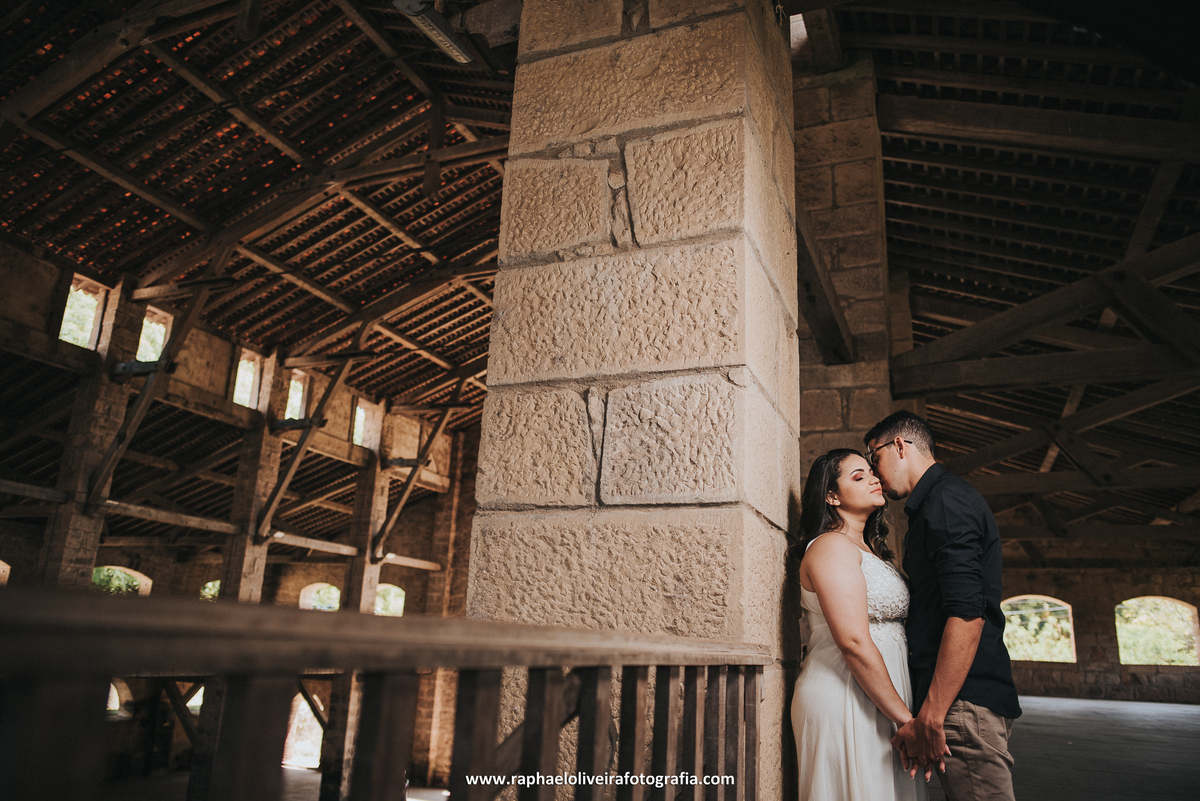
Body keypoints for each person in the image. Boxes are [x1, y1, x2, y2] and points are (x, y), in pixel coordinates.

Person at [863, 411, 1022, 801]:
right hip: (958, 700)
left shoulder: (946, 503)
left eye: (874, 458)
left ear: (899, 446)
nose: (873, 472)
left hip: (961, 703)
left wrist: (932, 715)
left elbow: (968, 613)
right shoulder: (936, 503)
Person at [790, 448, 929, 801]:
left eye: (872, 472)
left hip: (883, 695)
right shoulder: (830, 548)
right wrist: (906, 720)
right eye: (858, 476)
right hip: (844, 693)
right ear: (831, 496)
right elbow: (852, 640)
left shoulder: (870, 550)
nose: (874, 478)